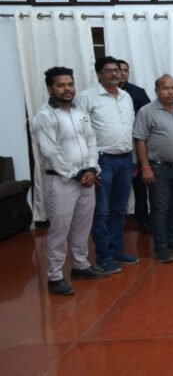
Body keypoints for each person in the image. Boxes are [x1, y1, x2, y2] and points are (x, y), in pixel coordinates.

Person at [32, 67, 107, 295]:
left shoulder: (80, 113)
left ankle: (81, 265)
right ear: (50, 88)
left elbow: (92, 142)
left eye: (70, 84)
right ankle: (55, 276)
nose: (67, 89)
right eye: (60, 85)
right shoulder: (44, 117)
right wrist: (77, 174)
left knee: (83, 224)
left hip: (87, 179)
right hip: (62, 181)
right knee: (60, 228)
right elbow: (51, 152)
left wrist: (92, 169)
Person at [74, 56, 137, 274]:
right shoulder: (87, 98)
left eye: (118, 70)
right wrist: (90, 165)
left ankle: (116, 249)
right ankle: (103, 255)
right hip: (101, 160)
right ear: (99, 74)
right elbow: (80, 133)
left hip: (125, 159)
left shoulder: (126, 97)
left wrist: (134, 160)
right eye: (108, 70)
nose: (114, 74)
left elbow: (129, 129)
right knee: (101, 211)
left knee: (120, 209)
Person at [134, 74, 173, 263]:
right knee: (160, 208)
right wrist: (145, 167)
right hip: (158, 168)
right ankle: (160, 248)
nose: (170, 92)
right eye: (165, 88)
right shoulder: (147, 111)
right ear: (157, 90)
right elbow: (140, 140)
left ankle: (172, 240)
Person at [117, 60, 152, 233]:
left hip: (137, 145)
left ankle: (143, 220)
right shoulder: (103, 94)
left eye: (125, 70)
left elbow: (149, 117)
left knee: (140, 190)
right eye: (119, 70)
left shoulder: (138, 92)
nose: (122, 73)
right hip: (114, 148)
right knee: (116, 190)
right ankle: (116, 222)